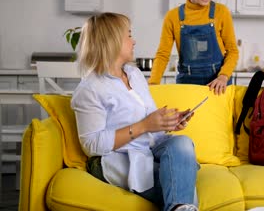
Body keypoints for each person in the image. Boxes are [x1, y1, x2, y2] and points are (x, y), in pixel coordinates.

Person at [71, 12, 199, 211]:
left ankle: (180, 201)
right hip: (114, 159)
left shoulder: (134, 74)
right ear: (112, 41)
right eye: (128, 35)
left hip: (148, 150)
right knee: (183, 188)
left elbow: (148, 120)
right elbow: (92, 145)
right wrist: (144, 125)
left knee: (182, 143)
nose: (134, 41)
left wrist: (168, 123)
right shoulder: (91, 89)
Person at [148, 0, 239, 95]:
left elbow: (232, 51)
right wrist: (153, 85)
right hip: (187, 85)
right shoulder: (173, 17)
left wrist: (223, 76)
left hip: (217, 86)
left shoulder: (222, 12)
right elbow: (162, 55)